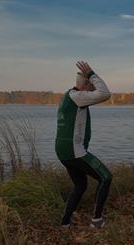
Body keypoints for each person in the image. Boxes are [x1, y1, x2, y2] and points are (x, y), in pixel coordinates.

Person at [55, 61, 112, 228]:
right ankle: (96, 220)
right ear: (85, 84)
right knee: (106, 178)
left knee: (80, 185)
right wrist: (92, 74)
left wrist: (90, 77)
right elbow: (105, 93)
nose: (93, 88)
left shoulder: (69, 96)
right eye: (91, 84)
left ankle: (65, 223)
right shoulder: (78, 97)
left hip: (64, 152)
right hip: (74, 152)